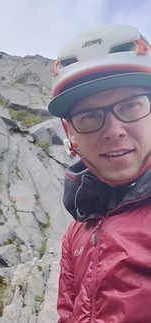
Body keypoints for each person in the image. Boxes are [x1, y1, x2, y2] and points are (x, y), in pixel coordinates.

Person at [48, 24, 151, 322]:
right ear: (70, 133)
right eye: (90, 116)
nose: (113, 130)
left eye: (131, 106)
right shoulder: (75, 233)